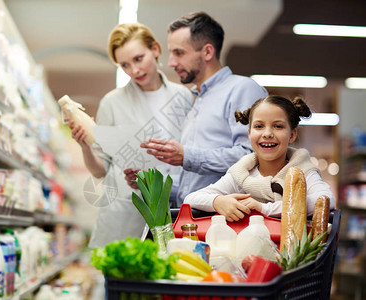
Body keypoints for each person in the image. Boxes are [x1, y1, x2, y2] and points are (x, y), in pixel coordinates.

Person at [68, 23, 194, 248]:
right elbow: (100, 170)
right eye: (125, 65)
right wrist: (85, 146)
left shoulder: (183, 97)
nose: (134, 70)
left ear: (155, 49)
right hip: (127, 213)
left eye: (138, 59)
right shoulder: (112, 102)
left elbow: (191, 154)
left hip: (174, 208)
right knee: (124, 280)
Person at [140, 12, 268, 205]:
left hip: (228, 221)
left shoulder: (243, 89)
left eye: (179, 53)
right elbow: (193, 188)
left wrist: (187, 155)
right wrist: (151, 182)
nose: (171, 63)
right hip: (195, 219)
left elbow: (254, 156)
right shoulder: (197, 101)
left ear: (207, 52)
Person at [184, 95, 335, 222]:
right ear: (249, 133)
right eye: (259, 126)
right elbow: (191, 199)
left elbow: (326, 200)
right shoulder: (241, 174)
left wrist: (264, 209)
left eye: (278, 126)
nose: (267, 133)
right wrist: (217, 201)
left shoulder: (303, 171)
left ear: (292, 135)